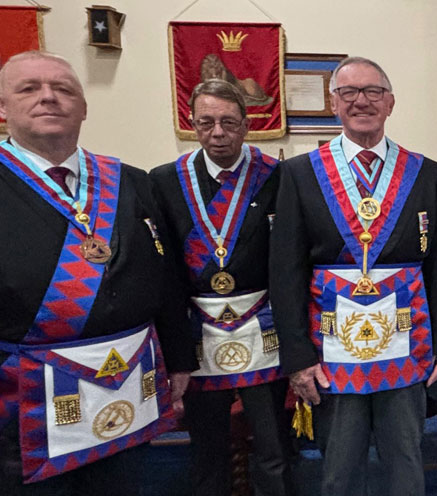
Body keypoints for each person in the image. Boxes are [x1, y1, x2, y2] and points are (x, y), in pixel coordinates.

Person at [0, 50, 194, 495]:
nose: (48, 98)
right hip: (17, 415)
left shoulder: (130, 181)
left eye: (63, 89)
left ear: (84, 107)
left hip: (127, 397)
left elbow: (163, 278)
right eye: (29, 88)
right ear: (0, 105)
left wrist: (179, 358)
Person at [269, 56, 437, 496]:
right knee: (341, 465)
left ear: (390, 102)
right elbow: (286, 272)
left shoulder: (426, 172)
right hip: (332, 349)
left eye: (373, 91)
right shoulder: (299, 173)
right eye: (349, 92)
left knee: (406, 462)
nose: (361, 101)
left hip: (408, 344)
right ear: (334, 103)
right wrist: (297, 357)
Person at [150, 79, 297, 496]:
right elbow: (164, 270)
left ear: (247, 125)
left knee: (274, 448)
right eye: (206, 122)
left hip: (263, 327)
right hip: (197, 333)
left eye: (229, 123)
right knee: (207, 448)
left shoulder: (278, 177)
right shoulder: (163, 181)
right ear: (191, 124)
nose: (217, 133)